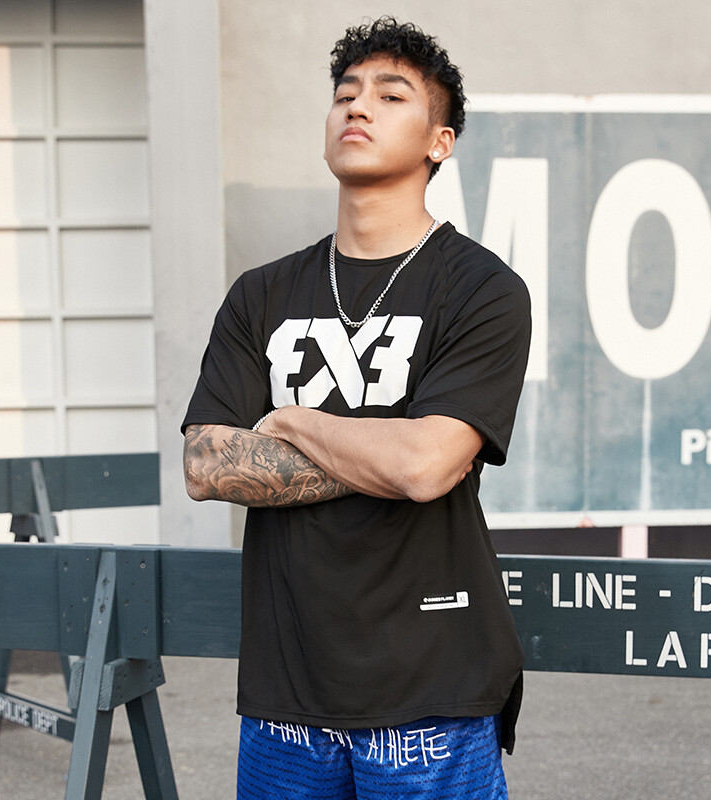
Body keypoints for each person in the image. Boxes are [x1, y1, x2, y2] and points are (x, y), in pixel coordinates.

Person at [182, 16, 531, 800]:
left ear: (440, 142)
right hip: (284, 698)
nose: (357, 106)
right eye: (345, 92)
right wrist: (394, 453)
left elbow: (427, 468)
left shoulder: (482, 290)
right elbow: (206, 464)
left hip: (430, 697)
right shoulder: (261, 294)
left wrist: (292, 420)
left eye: (390, 94)